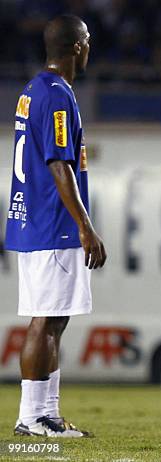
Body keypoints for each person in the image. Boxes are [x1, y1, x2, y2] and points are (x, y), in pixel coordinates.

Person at [6, 15, 106, 437]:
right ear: (77, 46)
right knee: (46, 319)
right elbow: (59, 163)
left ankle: (44, 415)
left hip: (34, 221)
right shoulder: (56, 95)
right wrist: (85, 226)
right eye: (87, 43)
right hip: (52, 224)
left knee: (52, 318)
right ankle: (33, 417)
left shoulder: (33, 90)